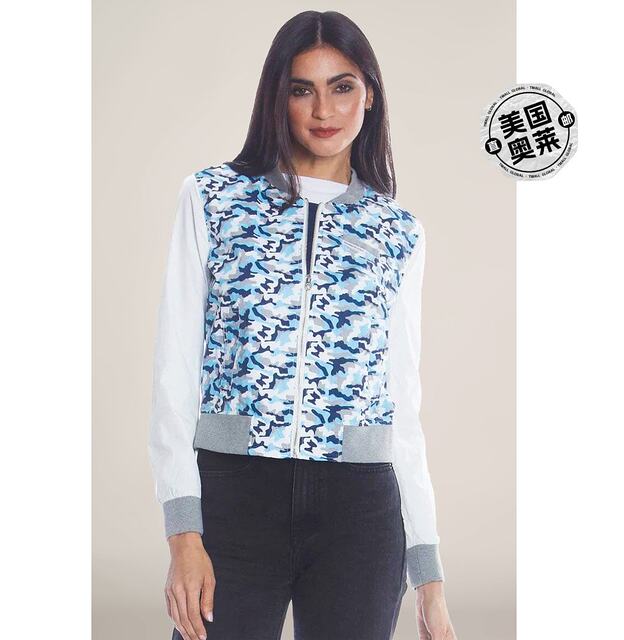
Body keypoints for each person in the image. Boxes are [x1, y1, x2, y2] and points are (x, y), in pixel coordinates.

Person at [148, 10, 458, 640]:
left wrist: (427, 573)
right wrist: (183, 531)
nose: (324, 109)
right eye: (301, 89)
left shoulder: (398, 232)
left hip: (360, 511)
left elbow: (402, 403)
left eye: (342, 86)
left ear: (369, 94)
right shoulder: (213, 198)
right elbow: (174, 370)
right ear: (277, 97)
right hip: (235, 496)